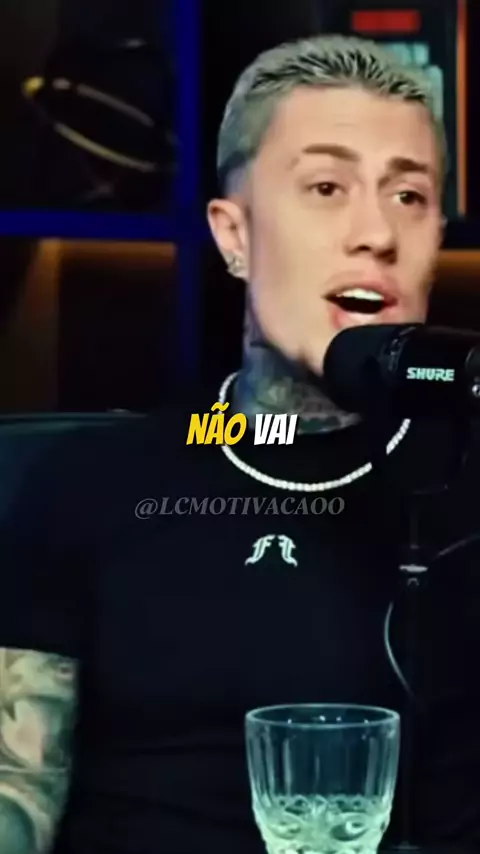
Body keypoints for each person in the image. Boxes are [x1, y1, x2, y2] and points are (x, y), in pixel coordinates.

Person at [1, 33, 480, 854]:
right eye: (326, 187)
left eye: (409, 196)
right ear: (234, 236)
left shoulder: (465, 485)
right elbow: (17, 792)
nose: (377, 232)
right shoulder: (95, 481)